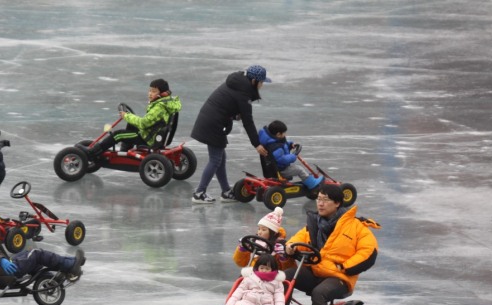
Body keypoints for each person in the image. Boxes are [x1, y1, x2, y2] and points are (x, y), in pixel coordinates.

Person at [284, 184, 380, 305]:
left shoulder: (356, 227)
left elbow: (368, 251)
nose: (320, 204)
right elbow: (299, 238)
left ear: (337, 203)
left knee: (320, 293)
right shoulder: (314, 224)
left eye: (325, 200)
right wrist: (290, 246)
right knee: (284, 278)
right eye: (318, 199)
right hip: (315, 271)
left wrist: (345, 267)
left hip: (339, 277)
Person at [190, 64, 271, 204]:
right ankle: (199, 193)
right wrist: (256, 144)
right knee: (215, 159)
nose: (262, 85)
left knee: (220, 158)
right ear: (254, 81)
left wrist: (233, 115)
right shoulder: (243, 92)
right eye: (262, 82)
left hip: (212, 121)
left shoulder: (239, 84)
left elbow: (225, 105)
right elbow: (248, 121)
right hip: (213, 124)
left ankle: (226, 191)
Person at [0, 211, 85, 288]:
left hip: (3, 268)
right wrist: (1, 260)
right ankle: (71, 265)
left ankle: (69, 263)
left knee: (27, 254)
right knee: (37, 254)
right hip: (7, 272)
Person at [90, 79, 182, 156]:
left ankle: (93, 152)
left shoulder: (159, 107)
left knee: (117, 135)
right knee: (131, 123)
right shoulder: (167, 103)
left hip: (148, 138)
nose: (150, 93)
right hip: (154, 133)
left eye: (153, 91)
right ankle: (124, 151)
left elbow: (143, 123)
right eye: (149, 90)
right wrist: (130, 117)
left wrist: (126, 115)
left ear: (162, 94)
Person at [221, 254, 286, 305]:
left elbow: (279, 298)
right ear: (257, 267)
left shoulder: (276, 282)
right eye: (262, 268)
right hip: (248, 301)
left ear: (272, 269)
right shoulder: (250, 278)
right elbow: (238, 292)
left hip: (265, 304)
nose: (264, 271)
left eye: (267, 269)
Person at [259, 120, 324, 190]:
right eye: (284, 133)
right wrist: (293, 156)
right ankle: (312, 184)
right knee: (299, 169)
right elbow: (282, 159)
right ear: (278, 134)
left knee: (297, 168)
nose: (285, 135)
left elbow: (283, 144)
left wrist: (290, 144)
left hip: (274, 168)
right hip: (281, 170)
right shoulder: (275, 147)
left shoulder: (272, 141)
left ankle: (308, 179)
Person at [232, 206, 294, 271]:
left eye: (263, 230)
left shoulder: (279, 246)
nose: (259, 232)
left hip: (271, 277)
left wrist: (283, 257)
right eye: (259, 229)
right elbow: (240, 263)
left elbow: (288, 270)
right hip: (253, 275)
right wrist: (242, 249)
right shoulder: (254, 242)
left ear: (273, 233)